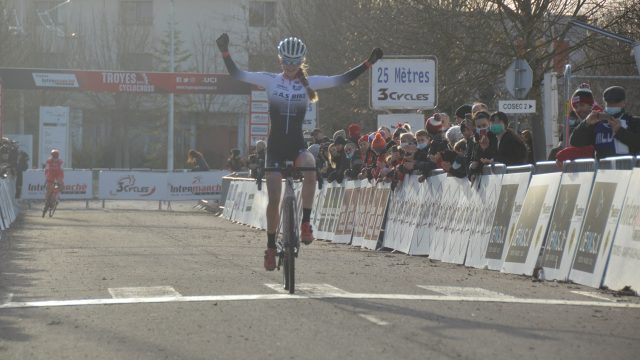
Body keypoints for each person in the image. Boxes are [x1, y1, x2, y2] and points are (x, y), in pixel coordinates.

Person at [216, 33, 383, 270]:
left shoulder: (310, 82)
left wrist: (368, 63)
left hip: (296, 146)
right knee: (274, 198)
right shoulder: (270, 80)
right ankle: (271, 247)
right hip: (275, 148)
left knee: (311, 168)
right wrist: (225, 52)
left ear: (301, 61)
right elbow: (237, 74)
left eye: (295, 62)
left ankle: (305, 222)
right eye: (286, 61)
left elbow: (342, 79)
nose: (290, 66)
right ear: (280, 60)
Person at [570, 86, 640, 159]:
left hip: (630, 169)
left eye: (616, 102)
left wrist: (619, 131)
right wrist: (586, 123)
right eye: (609, 103)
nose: (612, 105)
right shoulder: (597, 123)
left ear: (624, 103)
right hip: (602, 169)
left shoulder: (634, 122)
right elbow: (575, 142)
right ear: (605, 103)